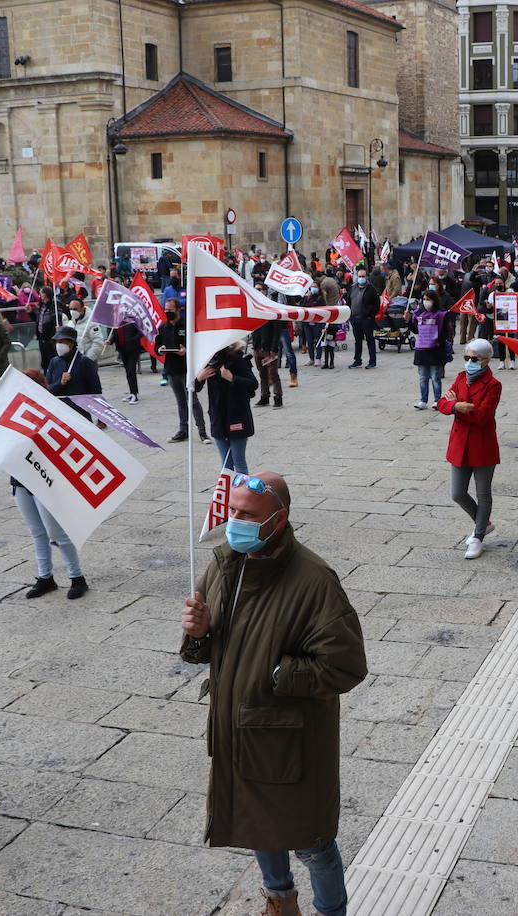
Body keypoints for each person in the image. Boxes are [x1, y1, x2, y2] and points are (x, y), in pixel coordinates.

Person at [180, 471, 367, 916]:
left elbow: (345, 665)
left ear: (278, 520)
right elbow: (209, 647)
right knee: (258, 826)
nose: (234, 521)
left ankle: (330, 911)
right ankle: (280, 901)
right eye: (232, 511)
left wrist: (277, 673)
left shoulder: (315, 579)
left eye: (247, 514)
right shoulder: (224, 563)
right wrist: (198, 634)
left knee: (312, 842)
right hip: (239, 733)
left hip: (290, 742)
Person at [11, 368, 89, 599]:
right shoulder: (13, 411)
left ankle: (77, 577)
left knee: (56, 532)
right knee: (37, 532)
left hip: (45, 479)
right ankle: (45, 577)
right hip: (20, 479)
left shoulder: (51, 412)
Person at [439, 339, 501, 559]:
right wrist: (457, 406)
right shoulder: (460, 378)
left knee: (483, 494)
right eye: (466, 358)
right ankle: (484, 522)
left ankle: (478, 535)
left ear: (486, 360)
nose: (469, 362)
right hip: (459, 444)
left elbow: (483, 416)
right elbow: (441, 404)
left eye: (473, 359)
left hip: (482, 445)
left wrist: (456, 407)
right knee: (457, 493)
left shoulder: (493, 385)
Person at [195, 340, 258, 475]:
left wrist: (232, 378)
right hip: (217, 417)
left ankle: (242, 495)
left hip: (236, 416)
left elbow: (253, 384)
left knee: (238, 461)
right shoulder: (208, 361)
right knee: (226, 464)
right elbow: (192, 388)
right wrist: (199, 378)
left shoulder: (237, 359)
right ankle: (229, 494)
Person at [155, 302, 210, 443]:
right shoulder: (163, 327)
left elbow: (198, 345)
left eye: (171, 310)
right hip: (172, 369)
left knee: (193, 400)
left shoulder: (187, 325)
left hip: (187, 369)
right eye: (166, 310)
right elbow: (157, 345)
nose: (168, 312)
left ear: (179, 310)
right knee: (180, 402)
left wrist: (186, 351)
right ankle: (183, 430)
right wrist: (159, 350)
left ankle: (202, 432)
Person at [46, 326, 103, 415]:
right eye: (56, 342)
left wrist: (100, 415)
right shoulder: (54, 362)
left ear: (71, 343)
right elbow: (48, 388)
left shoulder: (84, 361)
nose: (58, 345)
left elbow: (95, 390)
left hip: (80, 413)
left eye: (61, 342)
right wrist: (60, 383)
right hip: (60, 412)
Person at [412, 291, 450, 409]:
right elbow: (415, 329)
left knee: (435, 377)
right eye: (424, 299)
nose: (426, 301)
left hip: (435, 350)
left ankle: (437, 400)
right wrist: (408, 320)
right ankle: (423, 400)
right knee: (423, 377)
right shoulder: (419, 314)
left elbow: (446, 332)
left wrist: (440, 342)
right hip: (422, 350)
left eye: (428, 299)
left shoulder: (441, 314)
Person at [346, 267, 378, 369]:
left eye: (363, 276)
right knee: (357, 340)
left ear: (367, 277)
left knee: (369, 340)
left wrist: (370, 315)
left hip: (366, 319)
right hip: (355, 318)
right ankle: (357, 360)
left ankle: (372, 361)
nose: (361, 278)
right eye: (359, 276)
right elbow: (348, 302)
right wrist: (350, 316)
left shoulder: (371, 289)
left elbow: (376, 304)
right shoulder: (353, 288)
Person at [112, 321, 144, 404]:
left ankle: (134, 395)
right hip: (122, 349)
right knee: (128, 372)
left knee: (131, 371)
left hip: (133, 349)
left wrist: (133, 339)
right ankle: (132, 392)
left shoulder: (132, 321)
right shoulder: (116, 322)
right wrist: (110, 341)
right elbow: (114, 334)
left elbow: (141, 331)